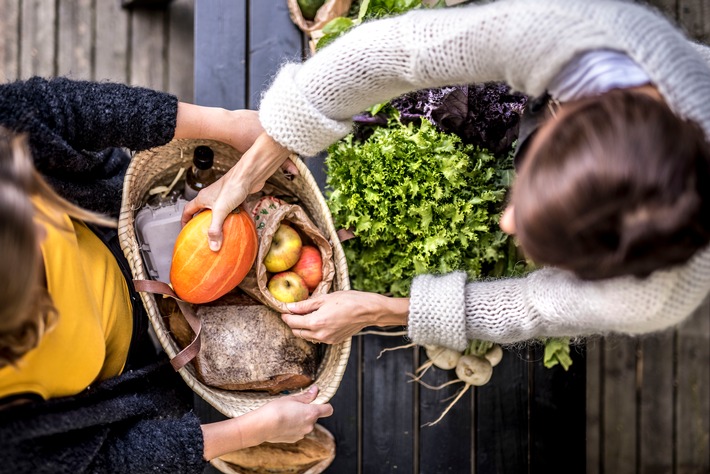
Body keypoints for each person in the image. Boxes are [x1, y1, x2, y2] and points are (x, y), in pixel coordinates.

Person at [183, 0, 710, 351]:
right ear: (579, 111)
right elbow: (391, 55)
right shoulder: (585, 36)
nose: (506, 222)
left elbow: (532, 308)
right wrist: (250, 169)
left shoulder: (656, 295)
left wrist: (383, 310)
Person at [0, 77, 332, 473]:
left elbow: (57, 109)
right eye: (32, 235)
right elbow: (108, 463)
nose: (46, 224)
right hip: (129, 377)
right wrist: (247, 432)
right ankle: (230, 439)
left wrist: (224, 123)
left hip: (123, 232)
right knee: (185, 421)